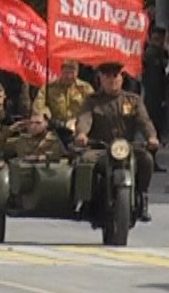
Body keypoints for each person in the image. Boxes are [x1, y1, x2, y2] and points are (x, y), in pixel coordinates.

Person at [74, 61, 161, 221]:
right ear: (100, 78)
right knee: (85, 162)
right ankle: (85, 201)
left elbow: (144, 121)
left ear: (121, 78)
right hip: (99, 147)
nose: (112, 80)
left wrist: (151, 137)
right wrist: (82, 134)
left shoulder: (132, 100)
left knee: (147, 160)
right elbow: (85, 118)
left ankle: (142, 197)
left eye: (115, 76)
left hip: (126, 147)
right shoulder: (92, 100)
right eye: (107, 76)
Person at [32, 59, 93, 149]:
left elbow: (92, 108)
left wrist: (79, 123)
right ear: (61, 71)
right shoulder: (49, 88)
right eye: (66, 72)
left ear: (77, 72)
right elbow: (38, 107)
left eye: (72, 73)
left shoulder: (85, 89)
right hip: (55, 130)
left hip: (78, 131)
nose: (68, 76)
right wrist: (44, 117)